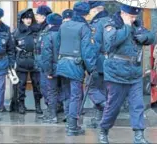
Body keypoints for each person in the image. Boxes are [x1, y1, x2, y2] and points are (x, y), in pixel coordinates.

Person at [98, 5, 155, 143]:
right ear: (123, 13)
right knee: (113, 106)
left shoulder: (137, 24)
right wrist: (127, 26)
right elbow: (111, 42)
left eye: (135, 16)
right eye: (131, 16)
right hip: (116, 72)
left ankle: (139, 136)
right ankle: (103, 130)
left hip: (134, 72)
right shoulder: (111, 24)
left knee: (137, 105)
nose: (134, 18)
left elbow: (151, 36)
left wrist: (144, 37)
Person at [56, 2, 98, 136]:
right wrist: (91, 68)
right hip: (75, 65)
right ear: (86, 13)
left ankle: (70, 123)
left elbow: (57, 45)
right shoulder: (84, 27)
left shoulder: (63, 25)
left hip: (62, 63)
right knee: (75, 96)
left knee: (68, 94)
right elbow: (87, 51)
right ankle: (72, 127)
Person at [12, 8, 43, 115]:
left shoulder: (38, 30)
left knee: (37, 85)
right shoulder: (17, 32)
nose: (28, 20)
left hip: (35, 60)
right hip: (22, 61)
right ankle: (21, 105)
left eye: (30, 18)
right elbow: (12, 48)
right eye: (26, 18)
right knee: (21, 85)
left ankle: (38, 105)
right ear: (22, 20)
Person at [87, 1, 109, 128]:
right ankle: (101, 119)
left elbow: (94, 45)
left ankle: (106, 107)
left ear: (95, 10)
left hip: (99, 61)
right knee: (104, 89)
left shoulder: (97, 23)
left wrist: (90, 63)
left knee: (91, 88)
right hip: (111, 61)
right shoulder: (111, 21)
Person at [40, 13, 62, 123]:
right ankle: (68, 116)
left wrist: (48, 70)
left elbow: (46, 55)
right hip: (64, 68)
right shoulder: (65, 34)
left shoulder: (48, 35)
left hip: (52, 68)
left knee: (52, 91)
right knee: (66, 91)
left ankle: (53, 116)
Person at [34, 5, 52, 117]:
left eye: (38, 15)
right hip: (41, 65)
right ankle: (50, 110)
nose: (36, 17)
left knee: (48, 88)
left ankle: (52, 111)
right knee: (44, 88)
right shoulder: (41, 28)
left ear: (44, 17)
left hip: (46, 65)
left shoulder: (48, 29)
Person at [60, 8, 74, 123]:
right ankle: (68, 113)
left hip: (68, 64)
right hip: (66, 64)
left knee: (71, 90)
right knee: (68, 90)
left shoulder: (61, 29)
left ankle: (70, 113)